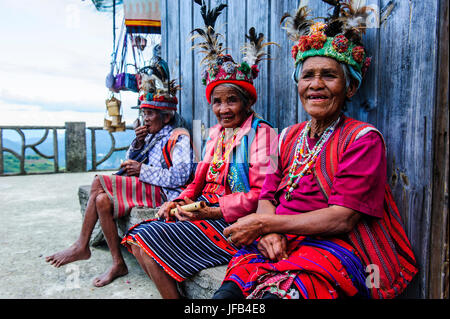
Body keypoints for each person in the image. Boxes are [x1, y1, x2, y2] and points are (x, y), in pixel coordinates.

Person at [213, 1, 418, 299]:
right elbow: (268, 194)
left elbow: (341, 218)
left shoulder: (363, 139)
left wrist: (264, 223)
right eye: (308, 75)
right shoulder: (286, 137)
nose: (316, 85)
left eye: (329, 75)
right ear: (298, 83)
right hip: (280, 239)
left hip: (333, 248)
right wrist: (269, 231)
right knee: (226, 296)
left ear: (349, 87)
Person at [121, 1, 278, 299]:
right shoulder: (216, 133)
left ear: (248, 102)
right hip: (203, 209)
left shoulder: (263, 134)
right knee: (138, 236)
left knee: (143, 239)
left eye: (231, 100)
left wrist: (214, 211)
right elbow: (197, 179)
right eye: (217, 102)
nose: (223, 109)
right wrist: (179, 200)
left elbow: (260, 195)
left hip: (234, 221)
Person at [45, 63, 195, 287]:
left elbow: (181, 177)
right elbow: (129, 160)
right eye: (144, 112)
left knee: (98, 181)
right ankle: (118, 263)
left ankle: (81, 245)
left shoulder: (178, 137)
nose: (145, 118)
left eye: (150, 113)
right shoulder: (151, 135)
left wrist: (141, 170)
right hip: (144, 187)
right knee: (101, 199)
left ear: (166, 117)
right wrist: (138, 143)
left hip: (164, 195)